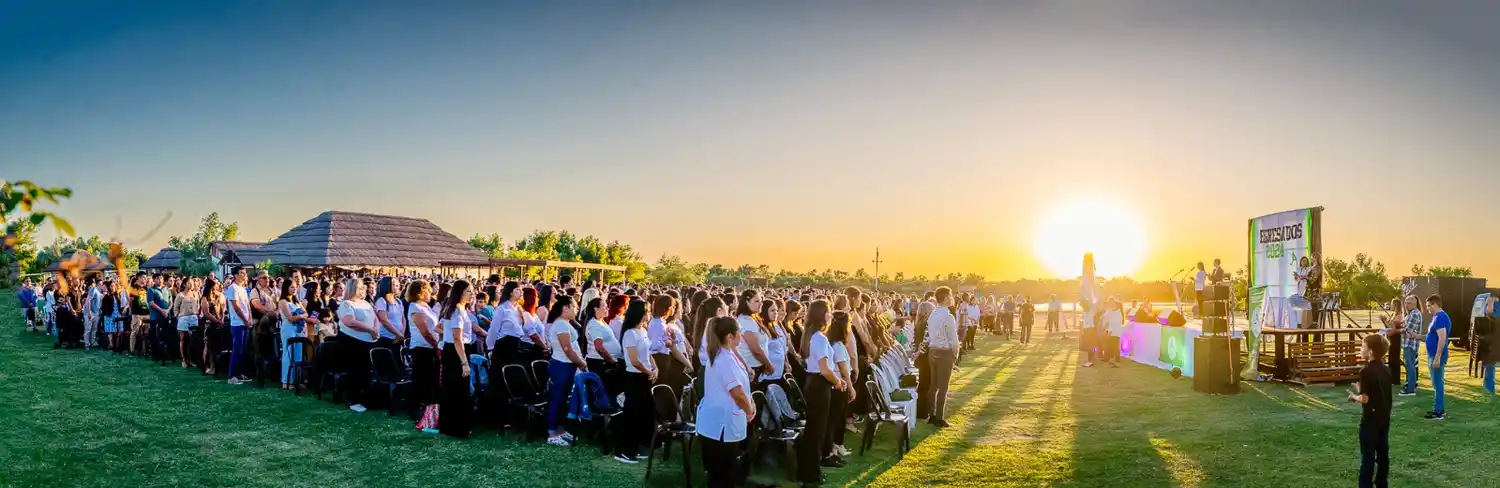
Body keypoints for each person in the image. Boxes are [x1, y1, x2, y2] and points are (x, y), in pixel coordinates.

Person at [697, 316, 755, 487]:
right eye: (739, 332)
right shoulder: (725, 360)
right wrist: (749, 410)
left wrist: (750, 402)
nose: (741, 336)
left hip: (720, 421)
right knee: (722, 476)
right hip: (720, 425)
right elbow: (737, 394)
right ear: (730, 337)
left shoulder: (728, 355)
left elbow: (742, 388)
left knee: (722, 473)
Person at [796, 299, 842, 486]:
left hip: (813, 383)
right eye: (829, 312)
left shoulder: (812, 335)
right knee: (816, 431)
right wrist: (838, 382)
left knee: (814, 430)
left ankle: (810, 471)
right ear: (822, 315)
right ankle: (811, 474)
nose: (831, 316)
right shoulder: (819, 338)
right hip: (819, 384)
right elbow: (825, 369)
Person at [615, 298, 656, 464]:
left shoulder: (643, 331)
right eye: (647, 311)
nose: (649, 314)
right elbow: (634, 360)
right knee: (632, 414)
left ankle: (637, 447)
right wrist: (648, 371)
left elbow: (648, 354)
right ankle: (625, 451)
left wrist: (655, 368)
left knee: (644, 413)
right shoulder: (629, 333)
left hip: (645, 376)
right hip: (634, 377)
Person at [1348, 334, 1391, 488]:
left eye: (1363, 347)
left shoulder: (1365, 371)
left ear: (1370, 351)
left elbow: (1365, 399)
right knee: (1383, 455)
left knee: (1367, 458)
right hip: (1384, 418)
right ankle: (1381, 483)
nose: (1361, 350)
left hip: (1370, 421)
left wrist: (1355, 397)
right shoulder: (1386, 369)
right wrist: (1361, 389)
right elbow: (1378, 391)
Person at [544, 295, 584, 447]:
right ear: (566, 308)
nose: (576, 310)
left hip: (568, 366)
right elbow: (567, 349)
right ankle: (551, 432)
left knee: (563, 400)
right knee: (557, 398)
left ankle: (560, 429)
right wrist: (580, 362)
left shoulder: (566, 323)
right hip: (562, 365)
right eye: (574, 307)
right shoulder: (561, 324)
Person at [437, 280, 476, 438]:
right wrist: (464, 362)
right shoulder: (456, 311)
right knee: (458, 389)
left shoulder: (459, 309)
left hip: (455, 349)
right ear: (460, 292)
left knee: (455, 389)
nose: (471, 294)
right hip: (456, 351)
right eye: (469, 291)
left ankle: (452, 426)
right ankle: (456, 427)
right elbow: (457, 338)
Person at [337, 277, 381, 413]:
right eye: (360, 287)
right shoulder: (346, 304)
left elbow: (375, 318)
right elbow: (350, 321)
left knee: (365, 371)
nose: (363, 290)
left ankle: (366, 397)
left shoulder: (366, 303)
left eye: (363, 287)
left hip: (368, 341)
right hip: (352, 341)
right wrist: (370, 330)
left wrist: (375, 329)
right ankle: (353, 399)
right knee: (354, 370)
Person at [405, 280, 440, 430]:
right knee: (420, 379)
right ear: (421, 292)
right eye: (428, 291)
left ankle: (427, 408)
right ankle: (415, 408)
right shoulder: (415, 307)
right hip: (422, 347)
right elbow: (424, 331)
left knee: (429, 379)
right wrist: (435, 344)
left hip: (430, 347)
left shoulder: (426, 306)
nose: (431, 293)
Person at [925, 286, 959, 428]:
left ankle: (932, 415)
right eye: (950, 296)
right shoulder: (948, 317)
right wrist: (955, 354)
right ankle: (939, 417)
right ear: (945, 298)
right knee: (943, 387)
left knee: (933, 386)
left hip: (933, 351)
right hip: (944, 352)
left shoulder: (933, 314)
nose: (952, 298)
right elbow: (953, 339)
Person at [278, 279, 317, 390]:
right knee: (288, 354)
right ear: (286, 288)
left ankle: (297, 380)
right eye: (292, 287)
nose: (294, 289)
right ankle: (286, 381)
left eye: (295, 287)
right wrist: (300, 316)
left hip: (299, 330)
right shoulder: (283, 302)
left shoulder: (296, 301)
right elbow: (290, 318)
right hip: (288, 329)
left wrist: (301, 315)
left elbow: (306, 313)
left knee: (298, 354)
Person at [224, 267, 253, 384]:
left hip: (245, 323)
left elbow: (247, 306)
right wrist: (245, 320)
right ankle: (231, 376)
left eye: (245, 273)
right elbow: (237, 308)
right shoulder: (233, 288)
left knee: (243, 351)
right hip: (237, 324)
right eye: (241, 273)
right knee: (237, 350)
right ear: (235, 275)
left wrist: (250, 318)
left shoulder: (243, 289)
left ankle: (239, 373)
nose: (244, 275)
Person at [1423, 295, 1450, 420]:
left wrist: (1437, 357)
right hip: (1433, 354)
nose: (1427, 308)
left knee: (1438, 383)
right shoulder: (1437, 317)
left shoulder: (1440, 317)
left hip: (1436, 355)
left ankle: (1439, 411)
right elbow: (1432, 336)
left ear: (1435, 304)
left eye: (1429, 305)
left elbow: (1442, 338)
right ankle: (1438, 409)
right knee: (1436, 383)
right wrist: (1417, 336)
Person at [1395, 296, 1423, 397]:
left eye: (1409, 303)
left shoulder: (1415, 314)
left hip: (1410, 344)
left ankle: (1410, 389)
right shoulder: (1411, 313)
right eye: (1405, 302)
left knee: (1410, 366)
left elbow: (1408, 330)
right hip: (1407, 343)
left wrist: (1394, 331)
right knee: (1410, 366)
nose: (1406, 305)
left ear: (1415, 304)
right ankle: (1410, 386)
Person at [372, 277, 407, 356]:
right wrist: (398, 334)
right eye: (394, 284)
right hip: (386, 338)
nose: (397, 286)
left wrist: (401, 334)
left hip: (398, 338)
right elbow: (384, 320)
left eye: (397, 284)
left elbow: (403, 318)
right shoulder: (382, 301)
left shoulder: (398, 301)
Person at [173, 278, 201, 369]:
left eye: (192, 283)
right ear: (185, 284)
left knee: (192, 340)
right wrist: (178, 316)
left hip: (193, 317)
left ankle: (191, 360)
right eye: (189, 283)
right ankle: (183, 359)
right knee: (183, 339)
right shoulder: (180, 295)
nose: (191, 284)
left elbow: (198, 305)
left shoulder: (195, 294)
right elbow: (175, 308)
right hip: (183, 318)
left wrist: (197, 313)